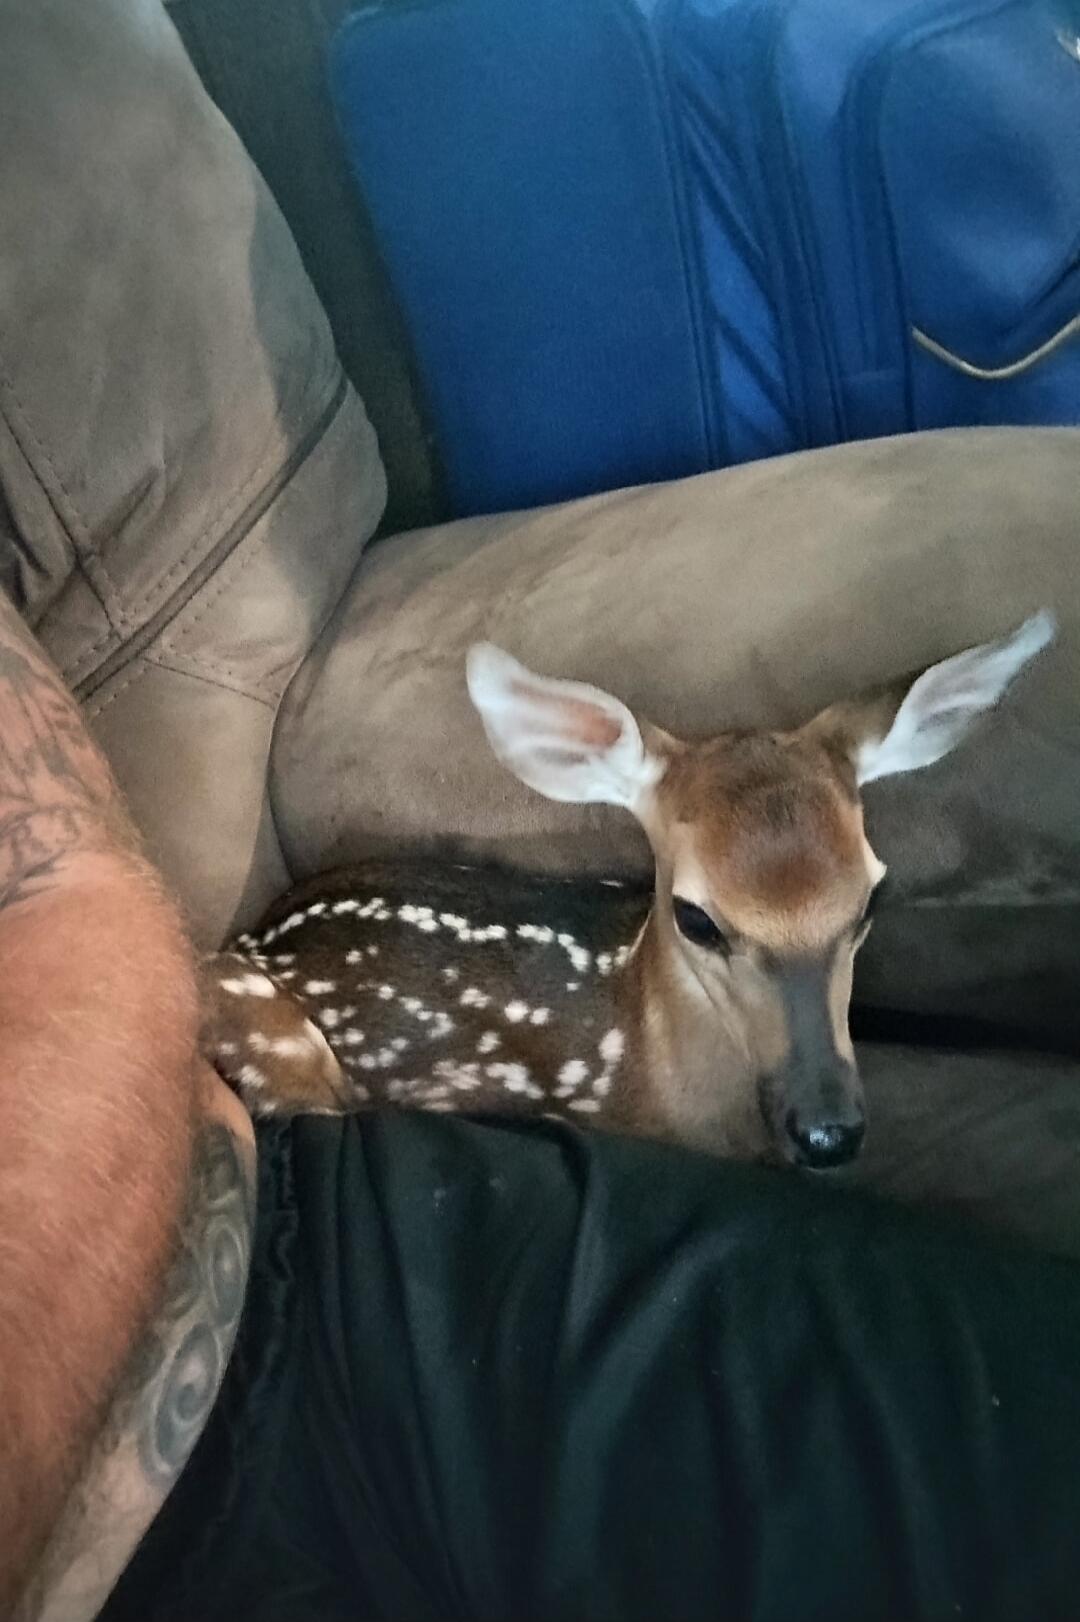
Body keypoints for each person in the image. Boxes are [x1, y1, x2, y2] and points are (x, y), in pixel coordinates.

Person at [5, 575, 1080, 1622]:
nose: (817, 1054)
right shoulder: (603, 1074)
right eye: (712, 930)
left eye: (853, 920)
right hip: (308, 1096)